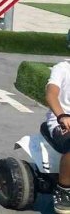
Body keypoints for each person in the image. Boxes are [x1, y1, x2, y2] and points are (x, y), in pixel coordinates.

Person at [46, 60, 70, 213]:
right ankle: (64, 191)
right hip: (61, 120)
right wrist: (62, 116)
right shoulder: (62, 68)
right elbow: (51, 94)